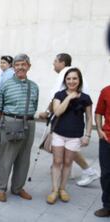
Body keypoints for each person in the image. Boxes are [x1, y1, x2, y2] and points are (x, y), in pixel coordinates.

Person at [39, 53, 99, 187]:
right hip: (65, 125)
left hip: (69, 125)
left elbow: (53, 100)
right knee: (62, 156)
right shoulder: (71, 77)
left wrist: (47, 112)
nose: (53, 64)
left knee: (67, 153)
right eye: (69, 79)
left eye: (55, 61)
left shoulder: (64, 73)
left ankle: (87, 171)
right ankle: (63, 177)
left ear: (62, 63)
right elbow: (57, 98)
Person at [0, 54, 39, 202]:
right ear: (13, 67)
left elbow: (34, 106)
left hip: (30, 124)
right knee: (7, 158)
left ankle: (18, 188)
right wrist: (6, 121)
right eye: (17, 64)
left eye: (23, 64)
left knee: (24, 158)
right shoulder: (5, 85)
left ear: (29, 66)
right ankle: (1, 188)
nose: (20, 67)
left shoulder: (34, 86)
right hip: (11, 122)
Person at [46, 68, 93, 204]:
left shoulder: (85, 98)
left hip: (75, 135)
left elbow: (89, 118)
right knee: (57, 162)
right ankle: (54, 190)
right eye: (69, 79)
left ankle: (62, 189)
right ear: (65, 81)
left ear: (79, 80)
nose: (71, 81)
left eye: (75, 78)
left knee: (68, 163)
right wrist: (69, 97)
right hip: (58, 134)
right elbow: (58, 111)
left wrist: (88, 135)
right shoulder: (59, 95)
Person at [94, 23, 110, 217]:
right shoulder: (106, 91)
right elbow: (98, 112)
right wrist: (98, 129)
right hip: (106, 140)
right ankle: (107, 204)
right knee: (107, 174)